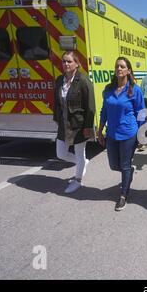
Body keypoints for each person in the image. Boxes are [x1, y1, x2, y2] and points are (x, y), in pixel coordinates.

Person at [97, 57, 145, 211]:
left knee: (124, 165)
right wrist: (99, 130)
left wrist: (141, 135)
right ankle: (128, 172)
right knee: (114, 165)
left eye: (122, 66)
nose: (119, 69)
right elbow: (104, 110)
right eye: (117, 66)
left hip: (128, 134)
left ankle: (123, 195)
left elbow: (141, 113)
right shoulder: (109, 89)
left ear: (128, 71)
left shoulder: (134, 90)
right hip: (111, 134)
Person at [53, 51, 95, 194]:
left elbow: (90, 107)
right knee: (61, 153)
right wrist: (57, 120)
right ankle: (82, 163)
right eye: (64, 61)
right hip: (64, 124)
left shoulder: (83, 80)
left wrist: (88, 127)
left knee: (79, 152)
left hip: (79, 124)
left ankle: (78, 180)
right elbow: (56, 103)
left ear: (76, 63)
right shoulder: (59, 80)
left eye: (69, 61)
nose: (66, 64)